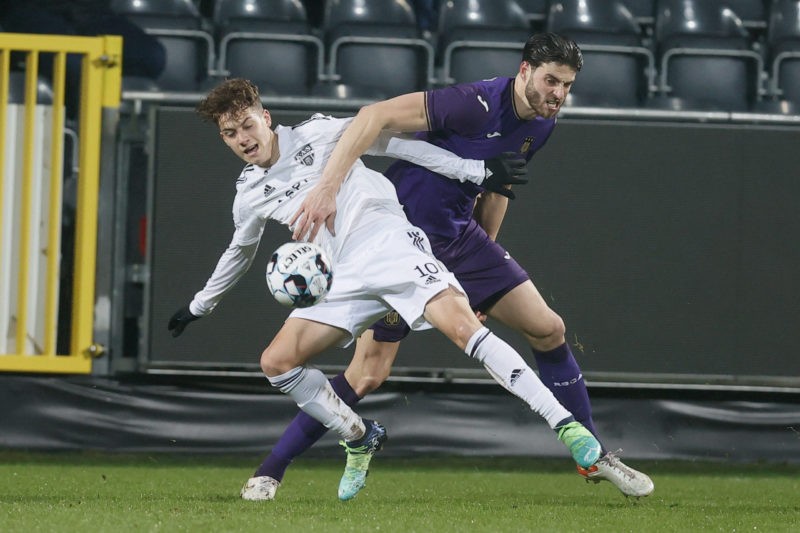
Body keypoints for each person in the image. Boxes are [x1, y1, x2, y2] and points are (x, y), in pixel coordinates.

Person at [246, 33, 655, 501]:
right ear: (524, 72)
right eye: (551, 80)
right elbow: (373, 117)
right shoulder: (472, 103)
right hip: (399, 244)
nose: (559, 93)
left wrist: (476, 280)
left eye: (566, 84)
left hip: (460, 238)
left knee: (548, 328)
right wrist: (327, 186)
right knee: (367, 374)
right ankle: (271, 470)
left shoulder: (543, 123)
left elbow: (500, 186)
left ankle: (594, 456)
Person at [168, 78, 602, 501]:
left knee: (464, 330)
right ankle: (358, 435)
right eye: (230, 133)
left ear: (266, 117)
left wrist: (476, 171)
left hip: (389, 243)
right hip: (341, 277)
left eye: (247, 125)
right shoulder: (248, 193)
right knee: (277, 363)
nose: (242, 138)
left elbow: (394, 143)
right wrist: (198, 305)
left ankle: (567, 425)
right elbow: (239, 251)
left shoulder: (316, 132)